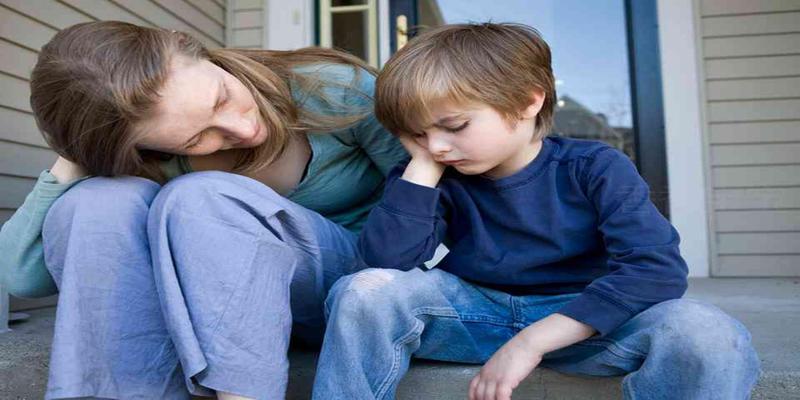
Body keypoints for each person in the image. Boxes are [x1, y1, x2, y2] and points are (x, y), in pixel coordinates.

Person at [313, 23, 761, 400]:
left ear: (529, 102)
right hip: (473, 316)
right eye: (416, 135)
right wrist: (423, 169)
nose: (437, 145)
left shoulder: (594, 167)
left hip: (586, 323)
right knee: (363, 290)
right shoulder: (432, 170)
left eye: (454, 126)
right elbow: (384, 264)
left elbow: (655, 271)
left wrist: (533, 341)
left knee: (708, 333)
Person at [0, 21, 406, 399]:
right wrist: (76, 155)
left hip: (341, 291)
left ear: (198, 51)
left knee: (202, 195)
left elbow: (435, 204)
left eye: (222, 97)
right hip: (205, 315)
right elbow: (22, 276)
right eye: (197, 137)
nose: (244, 131)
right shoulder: (148, 161)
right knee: (99, 199)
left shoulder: (330, 90)